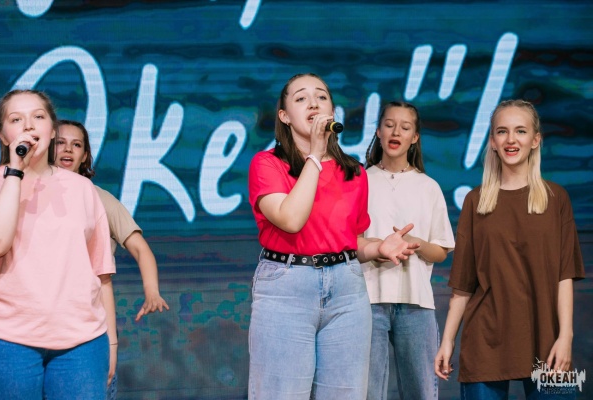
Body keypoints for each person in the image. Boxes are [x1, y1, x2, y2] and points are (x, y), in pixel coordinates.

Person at [247, 73, 420, 400]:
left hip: (346, 290)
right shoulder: (267, 164)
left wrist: (378, 247)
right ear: (284, 116)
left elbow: (350, 241)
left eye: (321, 97)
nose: (313, 103)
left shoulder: (353, 171)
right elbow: (291, 219)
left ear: (332, 111)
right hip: (287, 287)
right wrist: (315, 155)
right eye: (301, 98)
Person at [434, 99, 585, 399]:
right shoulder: (476, 202)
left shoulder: (557, 198)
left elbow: (564, 276)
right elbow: (463, 285)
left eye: (520, 131)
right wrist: (447, 340)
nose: (511, 139)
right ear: (492, 141)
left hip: (547, 338)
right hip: (485, 340)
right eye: (502, 131)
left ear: (536, 139)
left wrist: (565, 336)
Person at [0, 89, 116, 399]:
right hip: (8, 338)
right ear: (3, 136)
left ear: (51, 130)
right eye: (16, 119)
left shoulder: (82, 188)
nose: (28, 125)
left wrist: (112, 342)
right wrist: (15, 172)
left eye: (38, 117)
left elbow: (100, 272)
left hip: (83, 342)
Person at [54, 119, 169, 399]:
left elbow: (139, 249)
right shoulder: (28, 195)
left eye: (76, 144)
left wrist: (152, 291)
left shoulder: (100, 200)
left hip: (89, 326)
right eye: (60, 142)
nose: (67, 149)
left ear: (85, 156)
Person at [363, 101, 455, 400]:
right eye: (389, 125)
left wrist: (415, 243)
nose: (396, 132)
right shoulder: (360, 181)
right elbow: (349, 241)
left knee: (421, 391)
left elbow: (441, 250)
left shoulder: (428, 187)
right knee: (367, 392)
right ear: (378, 131)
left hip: (416, 303)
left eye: (405, 127)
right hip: (367, 300)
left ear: (414, 137)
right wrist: (377, 247)